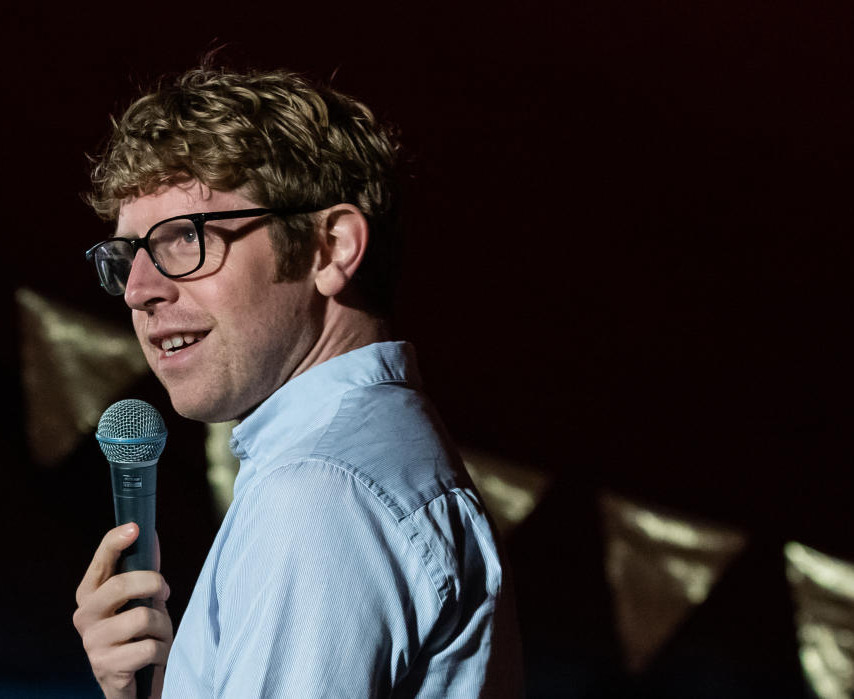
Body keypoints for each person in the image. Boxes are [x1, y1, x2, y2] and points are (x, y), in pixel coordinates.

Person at [72, 65, 521, 698]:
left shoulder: (323, 494)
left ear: (330, 248)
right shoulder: (365, 458)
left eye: (184, 240)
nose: (140, 290)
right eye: (126, 257)